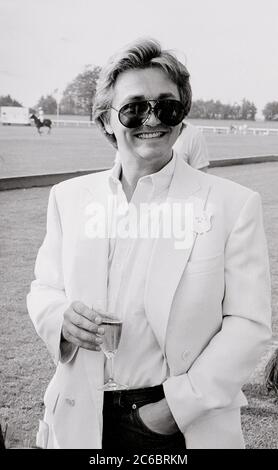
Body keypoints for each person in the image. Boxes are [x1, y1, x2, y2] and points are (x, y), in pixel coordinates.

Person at [27, 38, 272, 450]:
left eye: (167, 106)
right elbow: (44, 288)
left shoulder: (233, 205)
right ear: (106, 119)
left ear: (182, 119)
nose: (152, 118)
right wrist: (60, 319)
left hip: (176, 425)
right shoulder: (67, 198)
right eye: (135, 107)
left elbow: (249, 325)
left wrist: (171, 411)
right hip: (79, 414)